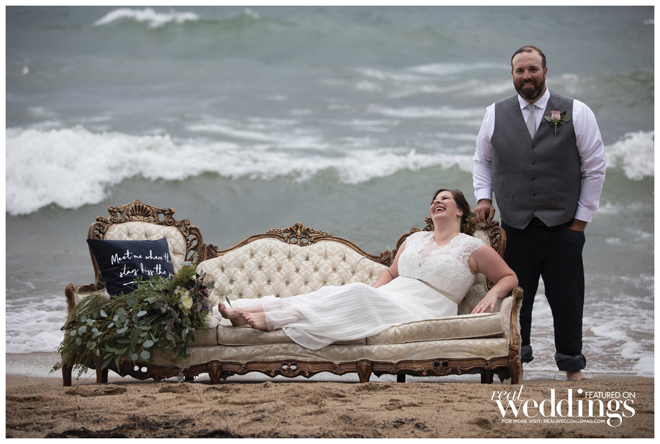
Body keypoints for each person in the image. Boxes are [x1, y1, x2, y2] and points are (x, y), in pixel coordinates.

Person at [217, 189, 518, 351]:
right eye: (434, 200)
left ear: (460, 210)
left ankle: (268, 318)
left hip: (428, 307)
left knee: (353, 293)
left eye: (445, 199)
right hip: (393, 297)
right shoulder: (414, 240)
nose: (437, 202)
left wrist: (492, 294)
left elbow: (509, 276)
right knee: (331, 293)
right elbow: (391, 274)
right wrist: (373, 294)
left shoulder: (471, 246)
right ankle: (243, 309)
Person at [472, 46, 606, 381]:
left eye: (533, 69)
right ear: (512, 74)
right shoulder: (494, 114)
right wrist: (483, 197)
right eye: (520, 70)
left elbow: (594, 168)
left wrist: (580, 221)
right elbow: (482, 161)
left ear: (545, 71)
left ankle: (572, 366)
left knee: (567, 297)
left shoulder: (577, 112)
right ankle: (514, 363)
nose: (526, 76)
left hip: (564, 225)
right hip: (515, 226)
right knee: (516, 298)